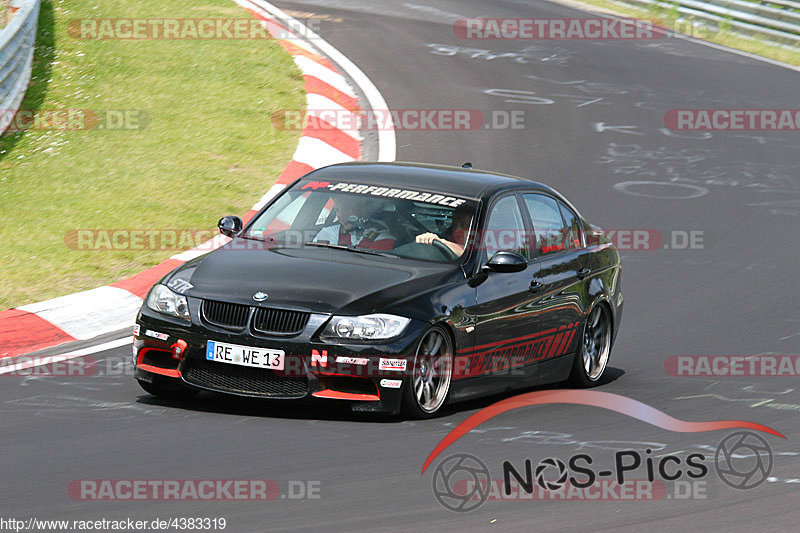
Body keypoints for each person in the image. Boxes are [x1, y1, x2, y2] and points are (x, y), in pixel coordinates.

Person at [313, 194, 395, 250]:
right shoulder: (328, 233)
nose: (341, 215)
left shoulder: (383, 237)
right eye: (337, 210)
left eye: (346, 209)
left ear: (362, 209)